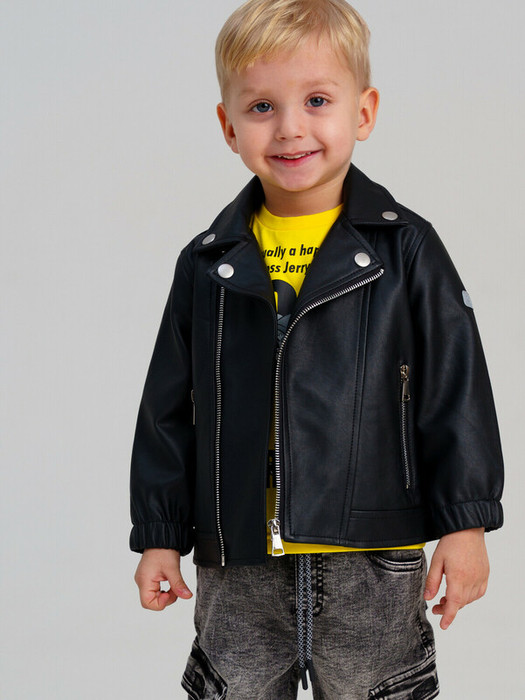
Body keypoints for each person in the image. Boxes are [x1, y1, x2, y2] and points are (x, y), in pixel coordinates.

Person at [129, 1, 504, 697]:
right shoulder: (206, 263)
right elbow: (167, 409)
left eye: (317, 101)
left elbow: (455, 388)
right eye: (262, 107)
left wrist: (466, 523)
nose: (290, 127)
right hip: (237, 563)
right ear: (228, 126)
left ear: (363, 112)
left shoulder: (405, 249)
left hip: (371, 558)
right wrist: (159, 532)